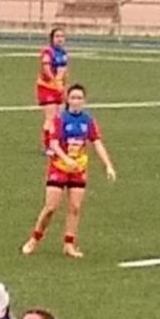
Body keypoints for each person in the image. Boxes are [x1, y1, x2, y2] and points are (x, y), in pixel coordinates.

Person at [21, 84, 116, 259]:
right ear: (68, 100)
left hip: (78, 169)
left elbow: (97, 143)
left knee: (75, 207)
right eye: (73, 98)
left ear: (84, 101)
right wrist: (66, 160)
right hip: (59, 167)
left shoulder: (88, 120)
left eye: (80, 98)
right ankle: (34, 239)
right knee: (50, 208)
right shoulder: (60, 119)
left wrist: (108, 165)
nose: (76, 101)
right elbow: (54, 144)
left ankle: (69, 244)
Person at [36, 27, 69, 122]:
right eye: (57, 36)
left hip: (58, 87)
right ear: (52, 38)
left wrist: (64, 86)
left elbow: (64, 71)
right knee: (50, 117)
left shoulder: (63, 53)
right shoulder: (48, 52)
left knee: (60, 117)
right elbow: (46, 68)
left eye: (62, 36)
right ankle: (48, 137)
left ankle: (56, 136)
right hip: (47, 87)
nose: (60, 39)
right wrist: (55, 81)